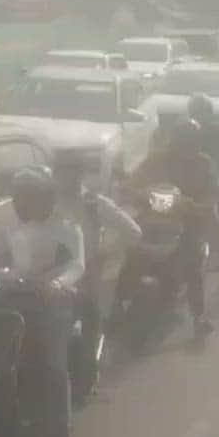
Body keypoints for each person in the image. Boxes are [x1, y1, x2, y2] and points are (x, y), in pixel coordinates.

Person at [0, 167, 85, 437]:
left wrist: (58, 284)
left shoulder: (66, 223)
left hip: (52, 301)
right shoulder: (8, 219)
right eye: (17, 197)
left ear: (44, 198)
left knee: (53, 369)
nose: (20, 204)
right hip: (13, 296)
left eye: (27, 198)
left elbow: (77, 264)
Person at [52, 149, 142, 385]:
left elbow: (133, 233)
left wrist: (104, 252)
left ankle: (90, 372)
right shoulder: (44, 202)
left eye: (72, 172)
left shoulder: (95, 204)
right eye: (61, 171)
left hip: (92, 275)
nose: (65, 178)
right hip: (52, 275)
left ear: (81, 175)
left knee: (92, 324)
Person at [125, 119, 217, 339]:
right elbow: (134, 181)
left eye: (191, 141)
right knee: (130, 255)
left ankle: (199, 317)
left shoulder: (204, 163)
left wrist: (199, 206)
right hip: (153, 218)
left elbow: (212, 193)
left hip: (187, 221)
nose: (186, 146)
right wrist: (134, 192)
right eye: (183, 141)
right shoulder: (157, 160)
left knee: (192, 267)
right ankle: (119, 307)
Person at [187, 94, 219, 270]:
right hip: (182, 180)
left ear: (208, 112)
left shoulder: (215, 131)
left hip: (206, 181)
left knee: (208, 214)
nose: (197, 114)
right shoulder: (185, 129)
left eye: (200, 111)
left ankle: (218, 254)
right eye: (194, 111)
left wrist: (214, 173)